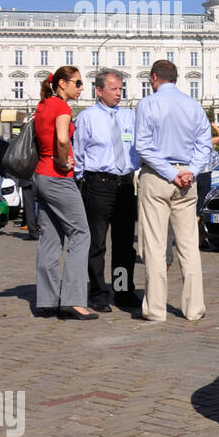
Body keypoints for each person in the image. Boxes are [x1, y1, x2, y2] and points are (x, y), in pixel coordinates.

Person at [135, 60, 211, 323]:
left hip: (158, 177)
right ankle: (194, 308)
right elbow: (205, 146)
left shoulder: (148, 103)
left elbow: (142, 146)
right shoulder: (193, 105)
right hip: (187, 180)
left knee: (155, 244)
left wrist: (170, 173)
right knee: (189, 245)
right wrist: (190, 171)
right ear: (176, 78)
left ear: (154, 78)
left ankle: (156, 309)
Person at [74, 69, 141, 312]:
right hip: (98, 184)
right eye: (113, 89)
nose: (118, 93)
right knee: (97, 243)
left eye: (121, 88)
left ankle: (123, 291)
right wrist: (83, 181)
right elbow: (79, 153)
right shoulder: (87, 118)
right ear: (99, 91)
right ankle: (99, 293)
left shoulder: (129, 117)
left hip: (125, 184)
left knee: (124, 244)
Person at [34, 67, 96, 320]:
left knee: (50, 238)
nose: (81, 88)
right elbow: (61, 140)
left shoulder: (43, 105)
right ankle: (73, 299)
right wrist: (62, 161)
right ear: (62, 83)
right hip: (58, 177)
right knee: (80, 233)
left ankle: (48, 300)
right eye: (78, 83)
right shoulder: (62, 108)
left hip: (40, 176)